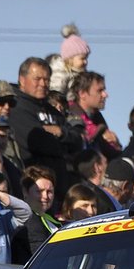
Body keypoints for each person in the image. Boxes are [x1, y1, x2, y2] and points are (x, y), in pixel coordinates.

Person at [10, 57, 83, 202]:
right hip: (35, 190)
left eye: (47, 80)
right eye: (37, 79)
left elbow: (78, 141)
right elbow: (37, 142)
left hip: (60, 189)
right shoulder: (17, 107)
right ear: (22, 80)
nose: (43, 84)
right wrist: (63, 144)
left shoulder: (52, 110)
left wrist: (61, 133)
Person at [11, 165, 60, 264]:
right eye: (39, 191)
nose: (45, 196)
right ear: (25, 192)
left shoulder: (51, 220)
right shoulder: (28, 221)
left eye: (49, 191)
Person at [69, 71, 122, 159]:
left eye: (104, 90)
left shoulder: (98, 119)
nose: (105, 95)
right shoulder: (69, 116)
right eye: (100, 91)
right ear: (82, 94)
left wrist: (116, 145)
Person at [49, 24, 90, 98]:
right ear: (70, 59)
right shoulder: (60, 73)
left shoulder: (80, 75)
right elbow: (55, 92)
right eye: (82, 58)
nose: (85, 62)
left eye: (86, 58)